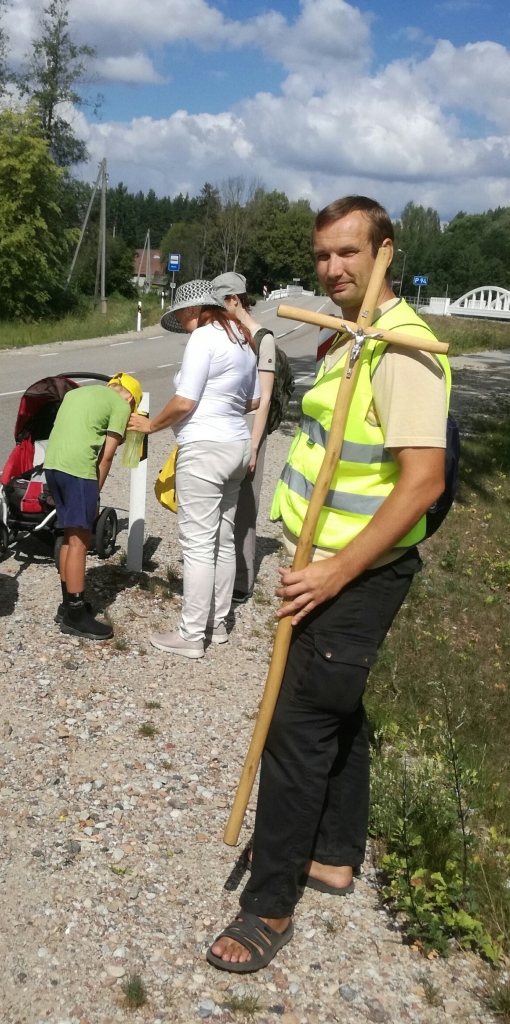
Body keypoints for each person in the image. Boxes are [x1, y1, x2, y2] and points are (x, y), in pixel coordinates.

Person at [207, 196, 450, 973]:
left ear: (385, 252)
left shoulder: (404, 350)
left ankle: (268, 906)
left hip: (354, 575)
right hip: (321, 565)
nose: (334, 267)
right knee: (336, 710)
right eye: (323, 255)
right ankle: (335, 856)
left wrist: (337, 571)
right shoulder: (349, 339)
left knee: (296, 729)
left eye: (350, 252)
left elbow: (422, 483)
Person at [129, 279, 260, 659]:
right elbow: (252, 400)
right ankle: (216, 624)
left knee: (198, 544)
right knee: (223, 538)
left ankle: (190, 635)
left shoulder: (204, 337)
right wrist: (223, 405)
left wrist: (151, 425)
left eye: (182, 316)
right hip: (237, 445)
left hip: (205, 449)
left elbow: (184, 401)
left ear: (193, 309)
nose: (183, 325)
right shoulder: (242, 339)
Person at [44, 372, 143, 640]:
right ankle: (76, 617)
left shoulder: (76, 393)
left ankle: (68, 605)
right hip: (79, 471)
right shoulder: (121, 405)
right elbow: (106, 457)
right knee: (80, 542)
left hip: (52, 466)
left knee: (69, 536)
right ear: (131, 397)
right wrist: (94, 496)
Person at [209, 272, 278, 603]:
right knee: (220, 500)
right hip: (224, 427)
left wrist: (253, 446)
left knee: (245, 504)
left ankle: (242, 578)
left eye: (219, 306)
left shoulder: (263, 339)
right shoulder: (229, 335)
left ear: (234, 300)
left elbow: (264, 399)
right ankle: (216, 571)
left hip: (250, 430)